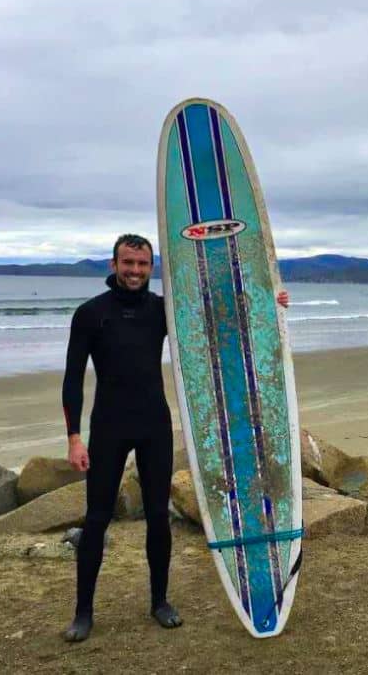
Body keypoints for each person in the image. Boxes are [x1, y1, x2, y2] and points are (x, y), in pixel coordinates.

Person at [61, 233, 288, 642]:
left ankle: (160, 602)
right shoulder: (90, 314)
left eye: (142, 264)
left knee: (158, 517)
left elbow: (219, 321)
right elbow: (73, 379)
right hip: (109, 427)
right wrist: (74, 437)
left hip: (154, 426)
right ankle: (83, 613)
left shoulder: (162, 311)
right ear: (113, 265)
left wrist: (268, 305)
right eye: (127, 263)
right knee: (95, 520)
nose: (134, 271)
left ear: (152, 267)